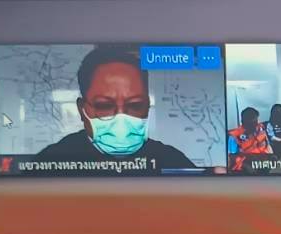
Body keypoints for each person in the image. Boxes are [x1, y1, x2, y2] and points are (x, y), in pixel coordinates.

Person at [35, 45, 197, 169]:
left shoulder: (173, 162)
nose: (121, 120)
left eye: (134, 105)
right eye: (105, 105)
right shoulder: (49, 163)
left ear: (147, 106)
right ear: (82, 110)